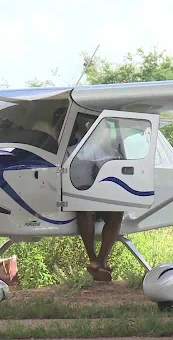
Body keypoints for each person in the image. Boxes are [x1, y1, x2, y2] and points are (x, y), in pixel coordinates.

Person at [66, 116, 124, 282]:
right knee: (83, 203)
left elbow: (107, 166)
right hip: (70, 195)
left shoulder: (88, 147)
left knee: (117, 212)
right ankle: (95, 260)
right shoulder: (53, 151)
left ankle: (99, 261)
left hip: (88, 192)